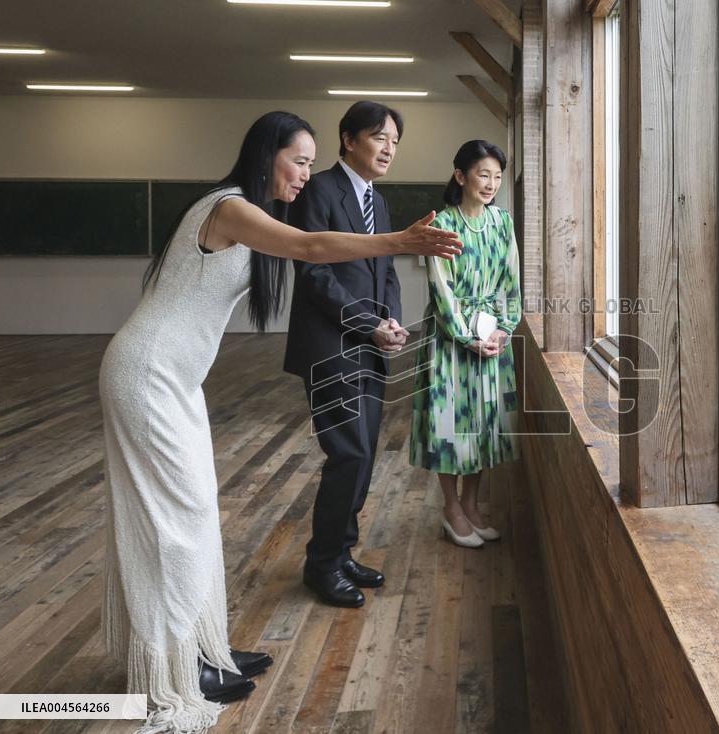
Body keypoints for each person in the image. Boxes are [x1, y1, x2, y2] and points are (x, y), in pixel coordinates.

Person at [99, 110, 461, 734]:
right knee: (176, 525)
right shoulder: (229, 206)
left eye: (310, 163)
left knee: (194, 517)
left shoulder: (252, 214)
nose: (305, 175)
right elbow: (311, 249)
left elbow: (305, 246)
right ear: (266, 154)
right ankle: (181, 667)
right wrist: (399, 241)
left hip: (173, 379)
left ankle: (204, 648)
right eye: (298, 160)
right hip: (147, 373)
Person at [283, 101, 408, 608]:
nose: (388, 149)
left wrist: (392, 320)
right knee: (348, 453)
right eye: (380, 137)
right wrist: (368, 325)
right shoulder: (318, 190)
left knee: (364, 455)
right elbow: (313, 273)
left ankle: (341, 553)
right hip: (331, 347)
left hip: (371, 346)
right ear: (349, 138)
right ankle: (321, 565)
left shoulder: (379, 202)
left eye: (395, 142)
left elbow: (388, 272)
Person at [408, 140, 522, 548]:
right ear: (460, 176)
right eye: (482, 174)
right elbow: (441, 288)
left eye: (496, 176)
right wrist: (467, 336)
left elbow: (511, 280)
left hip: (492, 337)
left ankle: (472, 505)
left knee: (485, 426)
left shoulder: (502, 222)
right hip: (450, 338)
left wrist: (504, 329)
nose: (490, 183)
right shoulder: (442, 224)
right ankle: (451, 508)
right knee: (450, 425)